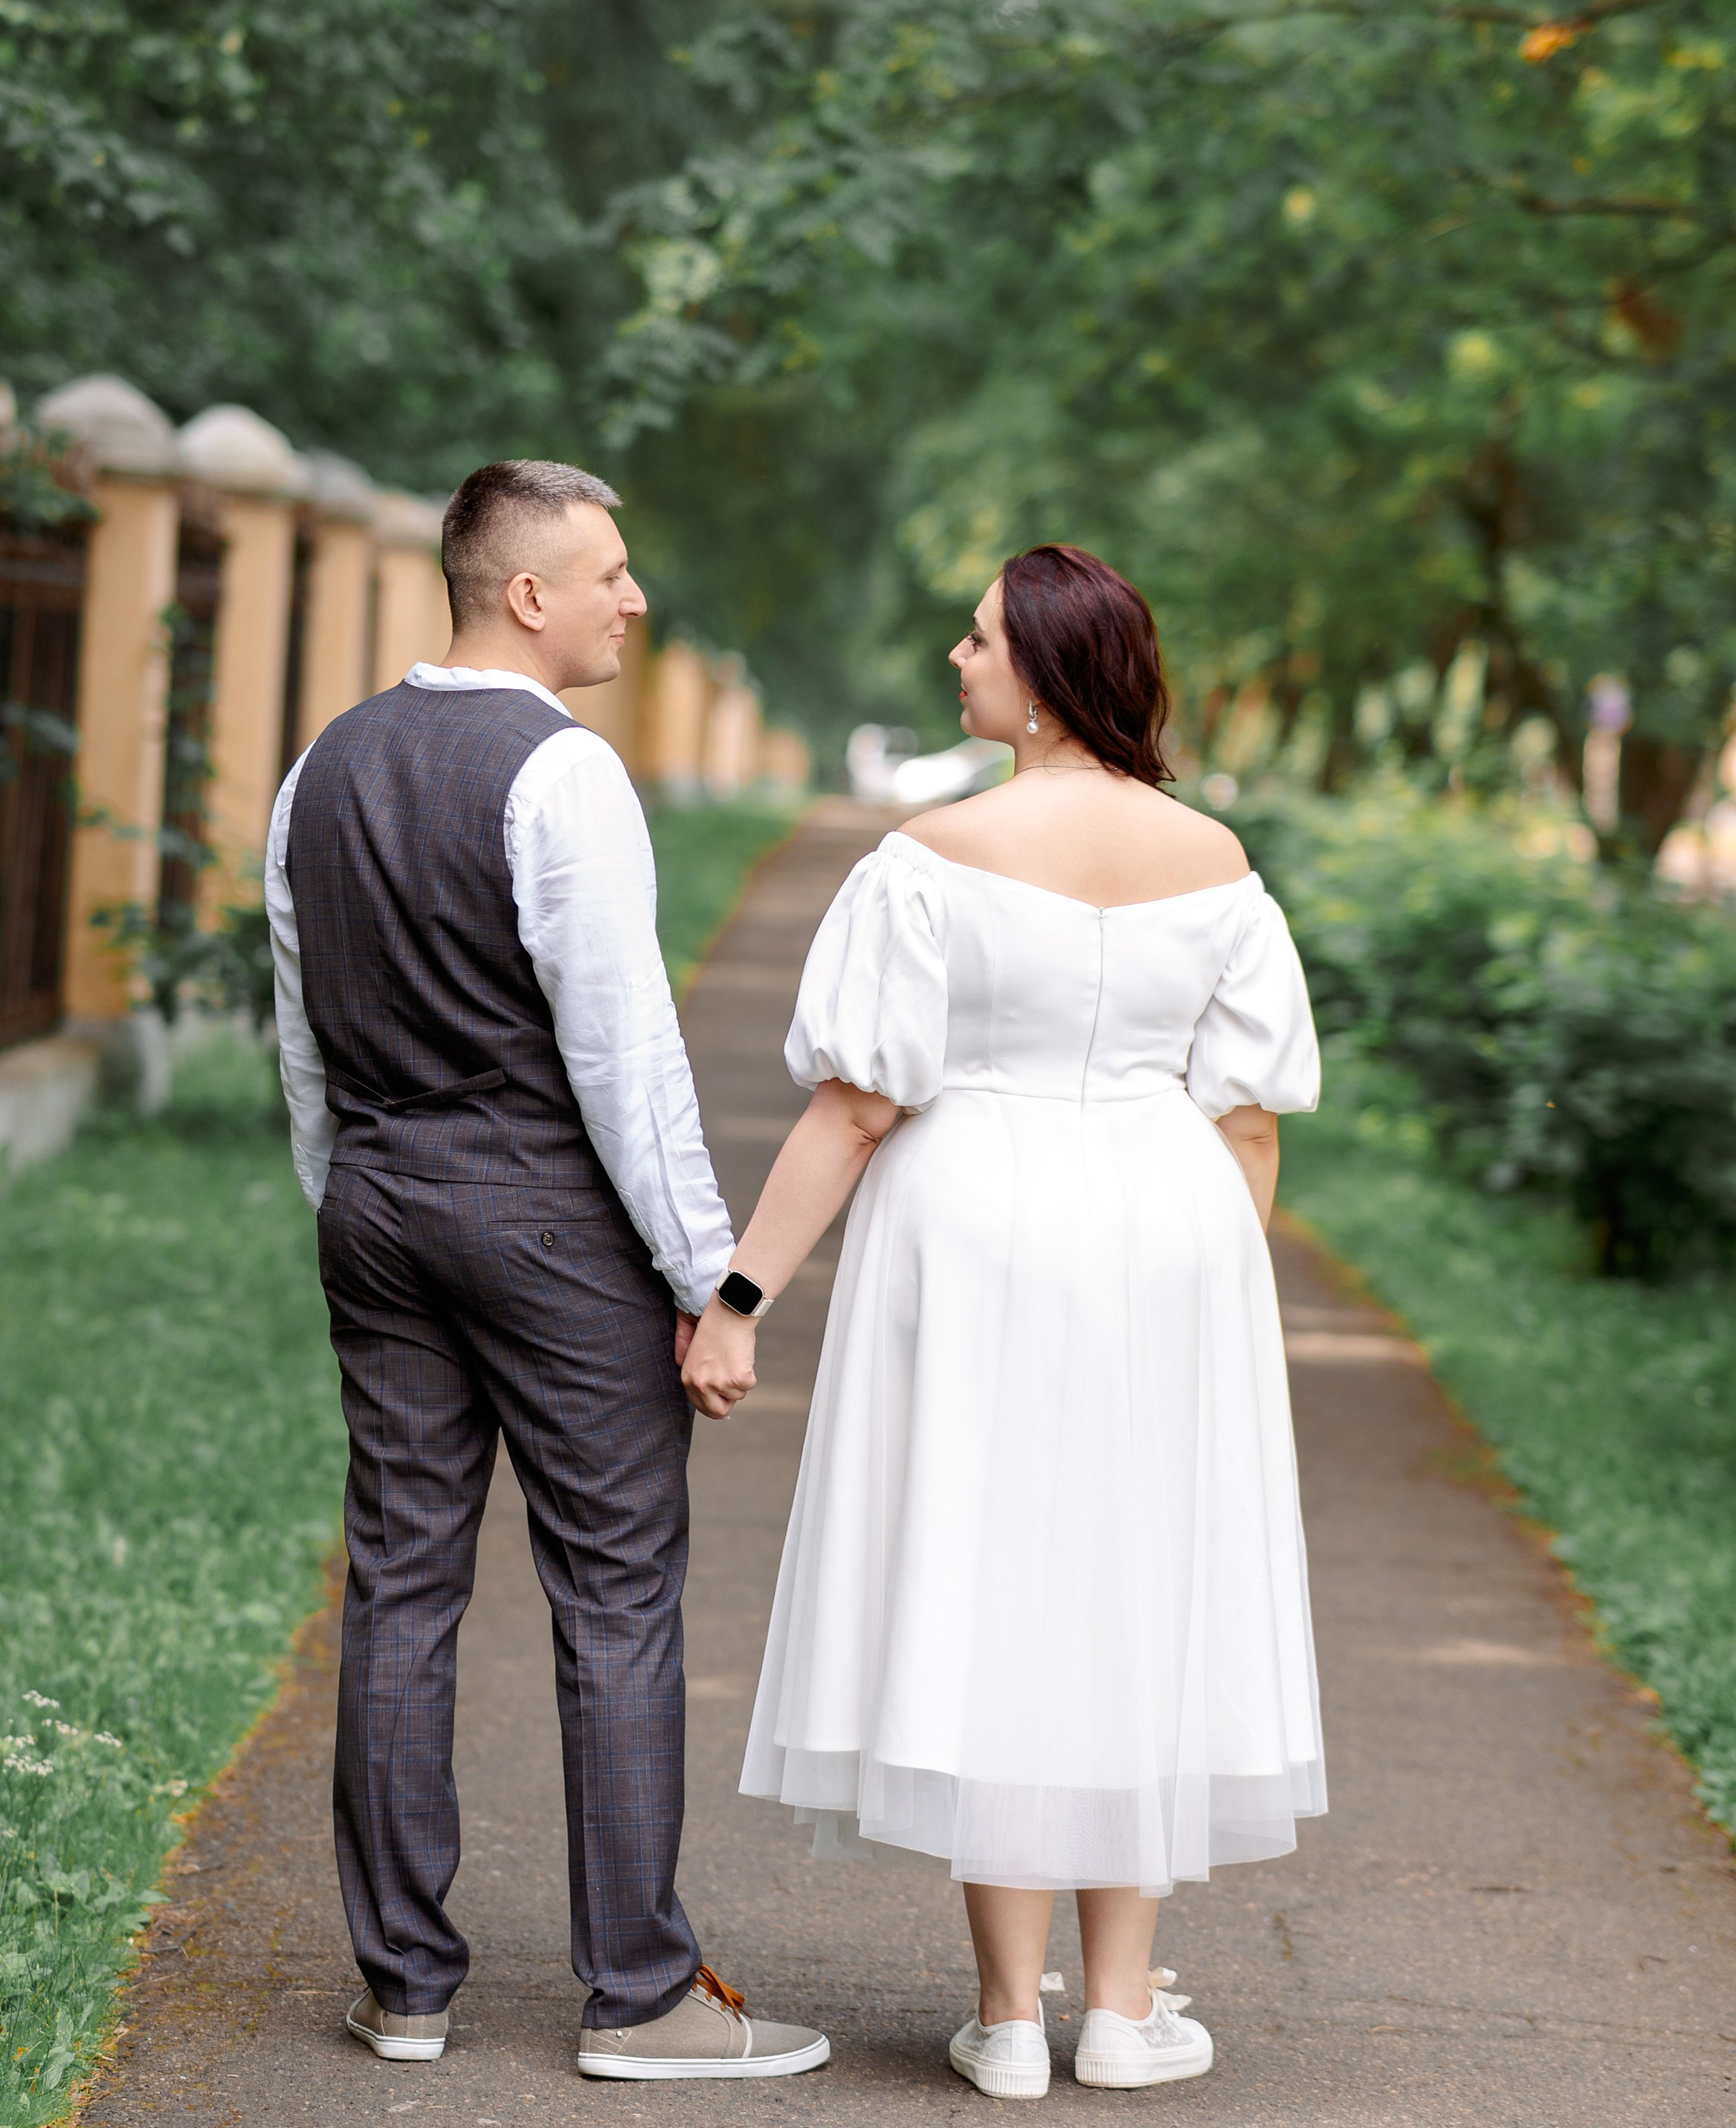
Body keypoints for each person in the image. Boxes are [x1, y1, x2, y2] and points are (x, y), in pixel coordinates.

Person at [680, 543, 1323, 2099]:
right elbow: (1246, 1115)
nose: (953, 660)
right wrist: (1208, 1292)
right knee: (1131, 1588)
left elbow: (855, 1103)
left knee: (999, 1582)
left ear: (1037, 677)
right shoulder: (1217, 859)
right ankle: (1118, 2009)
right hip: (1168, 1231)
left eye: (974, 641)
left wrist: (737, 1291)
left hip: (976, 1232)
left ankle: (1012, 2020)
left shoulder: (931, 855)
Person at [264, 459, 827, 2082]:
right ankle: (640, 1998)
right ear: (526, 591)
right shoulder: (562, 773)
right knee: (616, 1589)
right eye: (609, 572)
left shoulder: (320, 767)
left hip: (374, 1197)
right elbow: (624, 1053)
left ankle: (404, 1983)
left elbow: (302, 1027)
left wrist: (353, 1196)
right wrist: (709, 1276)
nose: (633, 598)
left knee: (403, 1578)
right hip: (540, 1211)